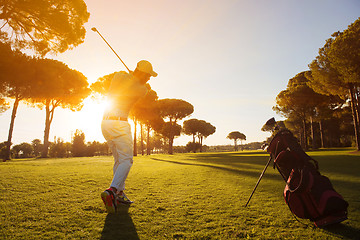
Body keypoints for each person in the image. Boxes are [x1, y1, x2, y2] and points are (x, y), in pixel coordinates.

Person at [101, 60, 157, 213]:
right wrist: (137, 79)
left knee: (119, 160)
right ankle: (112, 191)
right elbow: (141, 87)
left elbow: (125, 79)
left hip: (105, 123)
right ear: (142, 73)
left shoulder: (119, 76)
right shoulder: (142, 89)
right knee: (127, 160)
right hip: (120, 124)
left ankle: (119, 193)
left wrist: (133, 76)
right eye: (148, 76)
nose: (149, 79)